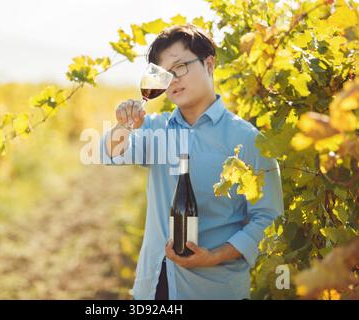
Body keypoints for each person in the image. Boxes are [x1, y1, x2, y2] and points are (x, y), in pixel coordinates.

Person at [100, 24, 284, 300]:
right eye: (163, 75)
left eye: (180, 67)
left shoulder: (248, 140)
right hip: (152, 288)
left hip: (215, 290)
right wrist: (122, 127)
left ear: (209, 64)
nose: (171, 80)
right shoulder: (156, 129)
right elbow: (110, 155)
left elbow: (268, 218)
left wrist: (212, 257)